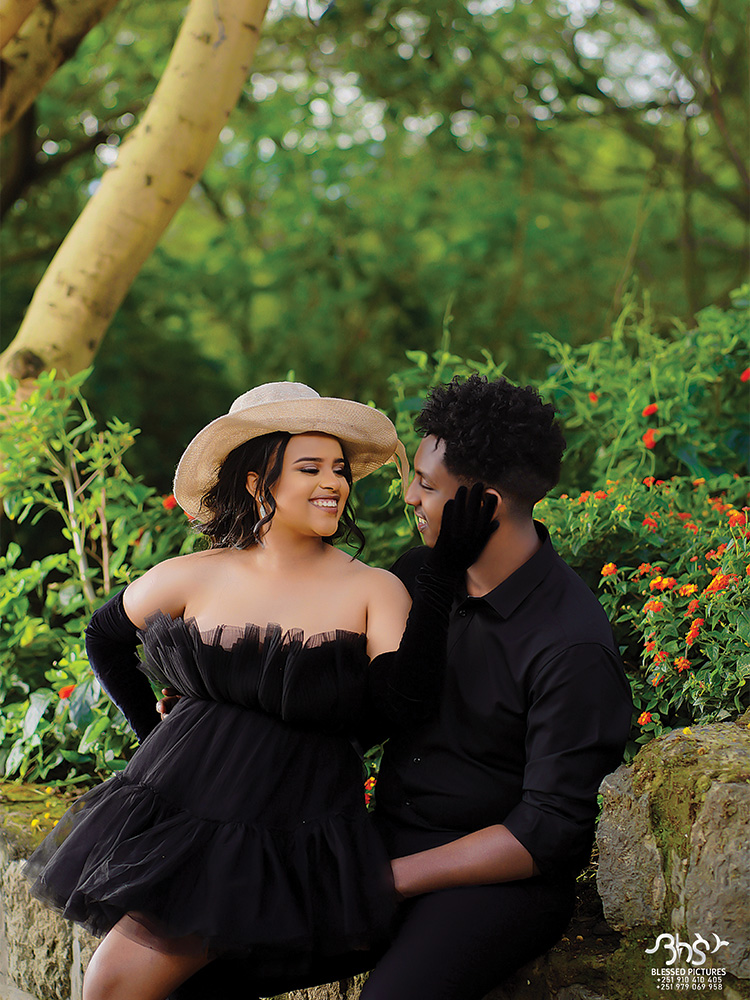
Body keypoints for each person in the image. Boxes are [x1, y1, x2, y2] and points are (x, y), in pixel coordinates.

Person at [23, 381, 498, 1000]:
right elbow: (103, 637)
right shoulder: (197, 575)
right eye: (310, 468)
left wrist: (440, 573)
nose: (333, 483)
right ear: (257, 483)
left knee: (116, 985)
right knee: (117, 986)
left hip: (286, 818)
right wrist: (153, 732)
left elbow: (405, 704)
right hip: (187, 804)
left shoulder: (372, 589)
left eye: (339, 469)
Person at [169, 373, 633, 1000]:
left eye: (426, 484)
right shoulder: (417, 577)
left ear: (486, 505)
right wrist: (215, 707)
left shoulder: (570, 643)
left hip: (490, 885)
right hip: (377, 846)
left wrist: (390, 878)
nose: (409, 495)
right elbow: (349, 711)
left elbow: (548, 832)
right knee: (188, 970)